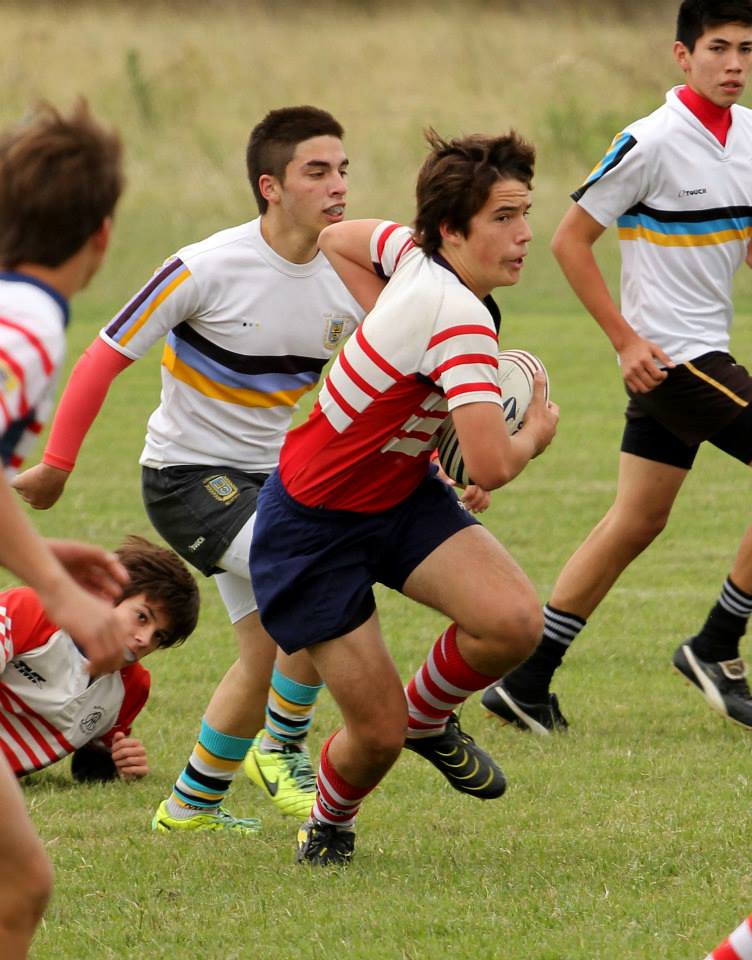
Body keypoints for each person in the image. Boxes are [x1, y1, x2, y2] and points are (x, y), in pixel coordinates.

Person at [13, 105, 367, 831]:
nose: (337, 186)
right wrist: (55, 464)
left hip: (273, 481)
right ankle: (284, 746)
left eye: (343, 170)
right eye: (317, 171)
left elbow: (390, 383)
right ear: (270, 186)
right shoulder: (205, 266)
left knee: (266, 644)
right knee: (318, 574)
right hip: (185, 477)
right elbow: (102, 357)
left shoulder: (348, 280)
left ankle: (192, 805)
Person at [250, 128, 560, 866]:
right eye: (504, 219)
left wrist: (388, 328)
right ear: (452, 229)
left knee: (515, 623)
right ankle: (329, 822)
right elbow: (490, 465)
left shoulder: (408, 249)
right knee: (374, 736)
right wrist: (536, 434)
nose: (523, 235)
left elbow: (337, 242)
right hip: (312, 527)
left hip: (399, 493)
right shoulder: (456, 320)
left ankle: (429, 719)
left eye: (524, 213)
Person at [481, 0, 752, 735]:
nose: (734, 64)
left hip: (704, 355)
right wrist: (625, 342)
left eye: (746, 50)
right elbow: (571, 240)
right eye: (719, 48)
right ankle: (717, 645)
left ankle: (526, 683)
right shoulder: (651, 141)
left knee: (637, 520)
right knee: (637, 518)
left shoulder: (751, 138)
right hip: (670, 359)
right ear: (682, 55)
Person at [0, 98, 129, 959]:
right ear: (103, 236)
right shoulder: (31, 323)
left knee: (22, 884)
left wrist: (41, 550)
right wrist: (58, 594)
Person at [2, 534, 199, 783]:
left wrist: (120, 762)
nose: (145, 640)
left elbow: (88, 771)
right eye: (142, 617)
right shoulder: (29, 610)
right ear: (107, 594)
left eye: (159, 636)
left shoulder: (132, 687)